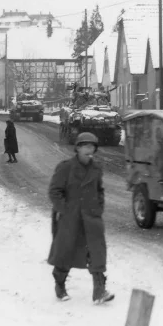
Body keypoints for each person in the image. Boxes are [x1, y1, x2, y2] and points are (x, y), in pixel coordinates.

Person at [47, 131, 114, 305]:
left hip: (91, 218)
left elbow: (99, 190)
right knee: (65, 252)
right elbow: (54, 191)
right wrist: (65, 209)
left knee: (96, 252)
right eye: (85, 146)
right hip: (71, 218)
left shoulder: (96, 168)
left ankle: (99, 290)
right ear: (77, 148)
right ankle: (60, 285)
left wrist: (99, 207)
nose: (88, 149)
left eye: (91, 146)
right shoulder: (66, 167)